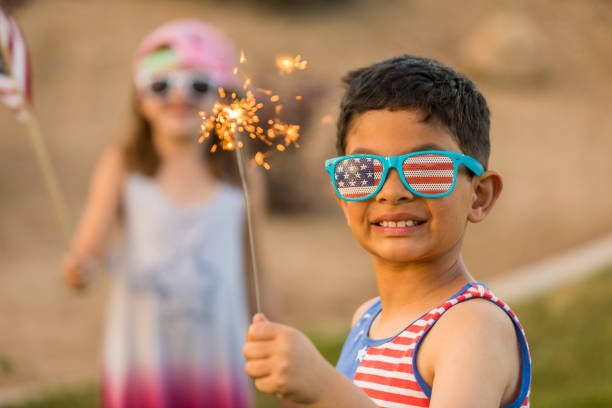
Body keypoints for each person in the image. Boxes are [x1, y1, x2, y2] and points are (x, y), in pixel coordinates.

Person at [243, 55, 531, 407]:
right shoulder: (367, 317)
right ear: (343, 200)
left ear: (479, 196)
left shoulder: (473, 327)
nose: (391, 191)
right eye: (362, 170)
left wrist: (325, 389)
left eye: (426, 168)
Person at [62, 19, 255, 408]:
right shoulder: (123, 164)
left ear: (223, 98)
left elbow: (254, 269)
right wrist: (79, 268)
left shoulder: (242, 175)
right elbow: (89, 248)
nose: (179, 97)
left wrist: (276, 338)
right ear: (140, 98)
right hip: (144, 355)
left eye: (199, 86)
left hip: (217, 355)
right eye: (161, 85)